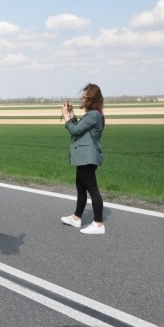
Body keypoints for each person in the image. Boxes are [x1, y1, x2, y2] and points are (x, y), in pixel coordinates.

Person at [60, 83, 106, 235]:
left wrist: (66, 116)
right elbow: (79, 129)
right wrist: (72, 115)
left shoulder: (94, 115)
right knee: (81, 188)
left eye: (85, 97)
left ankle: (98, 224)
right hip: (84, 158)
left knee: (92, 190)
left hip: (88, 157)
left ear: (92, 99)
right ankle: (76, 218)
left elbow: (74, 130)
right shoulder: (94, 114)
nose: (82, 99)